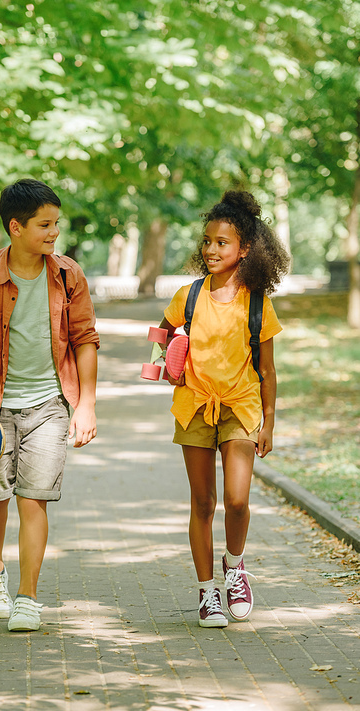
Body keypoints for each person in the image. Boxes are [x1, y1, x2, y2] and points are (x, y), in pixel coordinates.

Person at [0, 178, 99, 631]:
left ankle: (27, 596)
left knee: (34, 500)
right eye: (44, 225)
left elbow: (85, 340)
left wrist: (87, 405)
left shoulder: (68, 276)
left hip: (50, 405)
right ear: (15, 228)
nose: (54, 233)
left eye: (56, 223)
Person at [158, 190, 290, 627]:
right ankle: (207, 592)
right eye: (208, 241)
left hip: (241, 407)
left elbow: (267, 371)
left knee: (236, 500)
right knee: (203, 503)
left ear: (245, 250)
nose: (211, 250)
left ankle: (235, 568)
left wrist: (269, 424)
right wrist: (168, 362)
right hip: (194, 405)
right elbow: (163, 334)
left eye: (223, 243)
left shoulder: (257, 302)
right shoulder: (188, 296)